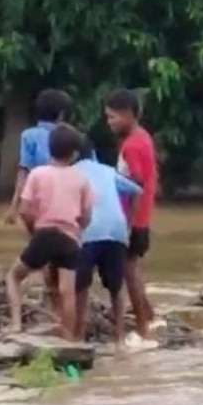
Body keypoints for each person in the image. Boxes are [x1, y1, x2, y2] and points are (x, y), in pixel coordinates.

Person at [5, 124, 95, 339]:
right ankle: (69, 338)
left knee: (13, 276)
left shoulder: (37, 174)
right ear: (74, 154)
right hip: (70, 238)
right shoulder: (81, 178)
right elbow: (86, 217)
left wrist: (33, 229)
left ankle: (16, 324)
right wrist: (76, 229)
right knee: (68, 292)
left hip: (44, 234)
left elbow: (25, 210)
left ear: (49, 148)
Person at [5, 89, 75, 314]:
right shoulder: (70, 136)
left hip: (36, 203)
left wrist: (14, 206)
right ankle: (61, 308)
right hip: (66, 203)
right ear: (62, 114)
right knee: (61, 255)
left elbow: (23, 171)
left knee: (43, 253)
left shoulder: (29, 135)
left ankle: (53, 305)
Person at [73, 146, 143, 345]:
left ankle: (78, 335)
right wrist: (127, 224)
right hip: (116, 231)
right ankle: (119, 338)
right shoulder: (108, 171)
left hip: (88, 234)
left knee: (81, 286)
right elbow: (137, 191)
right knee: (116, 287)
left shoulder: (72, 173)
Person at [104, 89, 159, 341]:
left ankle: (142, 327)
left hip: (132, 219)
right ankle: (148, 316)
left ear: (127, 115)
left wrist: (124, 223)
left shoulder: (132, 146)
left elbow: (135, 182)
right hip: (141, 217)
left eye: (112, 117)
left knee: (129, 272)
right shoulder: (142, 137)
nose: (109, 123)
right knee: (133, 269)